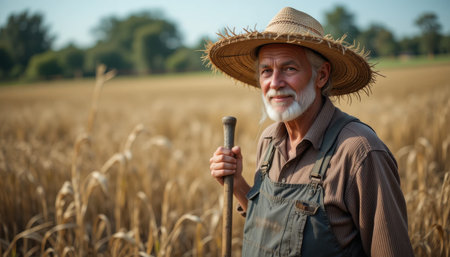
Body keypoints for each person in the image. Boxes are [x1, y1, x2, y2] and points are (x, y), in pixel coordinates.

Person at [207, 7, 414, 257]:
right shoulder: (269, 140)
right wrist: (238, 184)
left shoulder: (359, 152)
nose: (274, 83)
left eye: (289, 69)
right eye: (266, 71)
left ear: (321, 76)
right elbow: (271, 231)